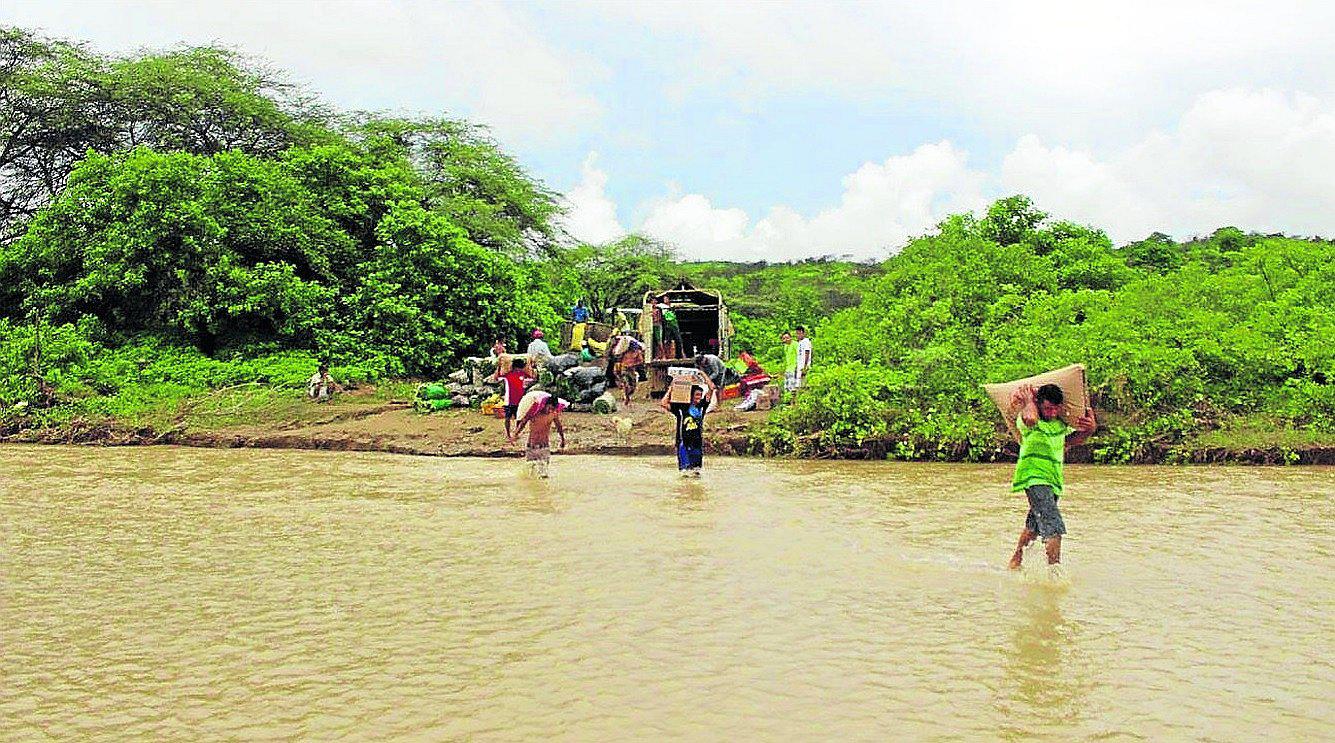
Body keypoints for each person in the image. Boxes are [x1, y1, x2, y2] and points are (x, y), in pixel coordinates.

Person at [1006, 383, 1097, 571]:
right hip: (1034, 478)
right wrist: (1029, 400)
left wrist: (1089, 430)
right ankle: (1054, 573)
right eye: (1048, 408)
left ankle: (1016, 560)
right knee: (1054, 526)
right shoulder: (1028, 420)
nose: (1053, 412)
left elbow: (1070, 441)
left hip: (1053, 481)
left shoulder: (1059, 425)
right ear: (1038, 404)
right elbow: (1030, 418)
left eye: (1056, 408)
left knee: (1034, 527)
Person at [510, 392, 566, 478]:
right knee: (530, 473)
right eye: (549, 408)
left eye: (553, 409)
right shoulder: (534, 411)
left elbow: (559, 426)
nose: (550, 410)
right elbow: (524, 422)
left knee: (544, 475)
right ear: (545, 404)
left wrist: (562, 439)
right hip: (531, 446)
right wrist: (515, 435)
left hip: (544, 447)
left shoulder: (553, 414)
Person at [661, 384, 708, 476]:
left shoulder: (701, 407)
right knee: (684, 472)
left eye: (700, 395)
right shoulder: (681, 409)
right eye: (697, 395)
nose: (699, 397)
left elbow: (712, 388)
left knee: (696, 472)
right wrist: (670, 390)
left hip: (697, 443)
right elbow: (663, 403)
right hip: (684, 443)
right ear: (691, 396)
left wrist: (701, 373)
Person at [499, 357, 534, 439]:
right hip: (509, 401)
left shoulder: (523, 375)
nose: (519, 370)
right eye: (518, 368)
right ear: (514, 367)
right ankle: (508, 434)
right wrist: (499, 366)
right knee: (507, 418)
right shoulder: (507, 375)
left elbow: (532, 377)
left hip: (519, 401)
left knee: (519, 418)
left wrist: (531, 366)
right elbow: (497, 377)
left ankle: (516, 432)